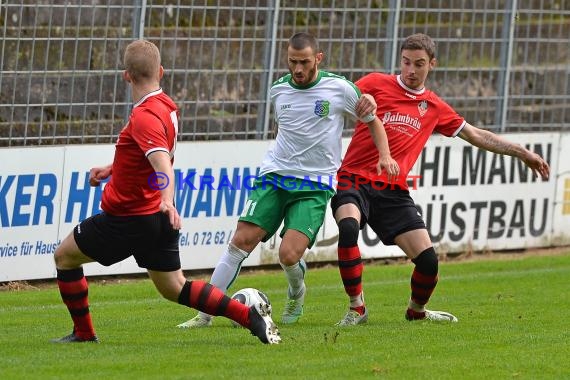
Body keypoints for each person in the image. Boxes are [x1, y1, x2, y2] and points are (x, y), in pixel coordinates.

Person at [51, 39, 281, 344]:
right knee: (176, 287)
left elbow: (161, 165)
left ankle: (83, 333)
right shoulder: (165, 106)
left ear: (126, 76)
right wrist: (113, 168)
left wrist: (166, 200)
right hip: (155, 220)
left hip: (130, 217)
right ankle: (248, 316)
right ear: (161, 71)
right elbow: (146, 155)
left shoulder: (144, 116)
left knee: (64, 257)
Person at [177, 32, 399, 328]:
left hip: (315, 185)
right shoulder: (278, 89)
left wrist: (385, 156)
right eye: (292, 61)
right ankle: (204, 314)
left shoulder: (340, 89)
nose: (297, 69)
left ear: (318, 58)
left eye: (304, 62)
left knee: (288, 254)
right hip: (275, 178)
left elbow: (374, 121)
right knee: (239, 242)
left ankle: (297, 291)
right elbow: (284, 129)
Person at [332, 33, 551, 326]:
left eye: (419, 64)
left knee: (428, 261)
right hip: (354, 178)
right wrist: (362, 99)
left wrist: (521, 152)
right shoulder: (374, 82)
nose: (411, 70)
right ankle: (357, 308)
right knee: (348, 228)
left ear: (432, 64)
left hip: (393, 190)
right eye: (406, 62)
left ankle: (416, 311)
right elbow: (337, 96)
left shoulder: (434, 107)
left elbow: (476, 135)